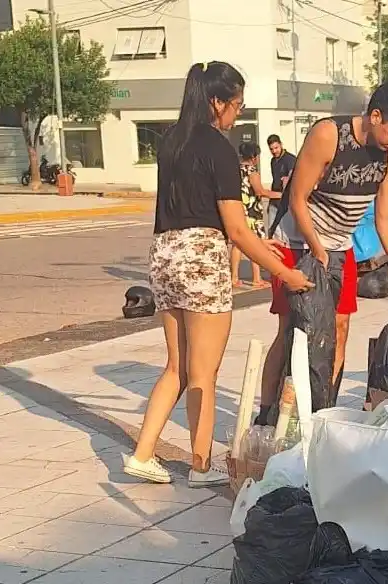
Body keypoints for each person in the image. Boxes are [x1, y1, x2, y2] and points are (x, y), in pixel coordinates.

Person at [123, 61, 312, 487]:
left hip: (164, 254)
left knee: (178, 367)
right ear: (216, 101)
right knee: (204, 373)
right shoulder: (219, 148)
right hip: (202, 257)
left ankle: (142, 454)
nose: (237, 114)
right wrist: (285, 272)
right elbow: (238, 229)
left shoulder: (170, 141)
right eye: (236, 105)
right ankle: (201, 466)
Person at [254, 79, 388, 425]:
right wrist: (317, 247)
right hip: (297, 244)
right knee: (292, 329)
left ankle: (324, 411)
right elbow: (297, 199)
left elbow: (384, 218)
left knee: (340, 327)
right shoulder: (329, 135)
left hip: (340, 246)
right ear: (375, 116)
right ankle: (267, 413)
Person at [231, 142, 274, 288]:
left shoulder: (236, 169)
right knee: (256, 244)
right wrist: (280, 195)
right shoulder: (252, 170)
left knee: (237, 245)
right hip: (252, 211)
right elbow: (260, 191)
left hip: (239, 210)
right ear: (254, 157)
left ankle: (234, 277)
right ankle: (257, 278)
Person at [267, 135, 295, 220]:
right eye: (271, 149)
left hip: (286, 202)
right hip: (274, 201)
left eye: (276, 148)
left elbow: (295, 177)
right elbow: (274, 181)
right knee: (272, 229)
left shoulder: (290, 159)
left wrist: (288, 178)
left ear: (281, 145)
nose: (274, 151)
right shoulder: (273, 161)